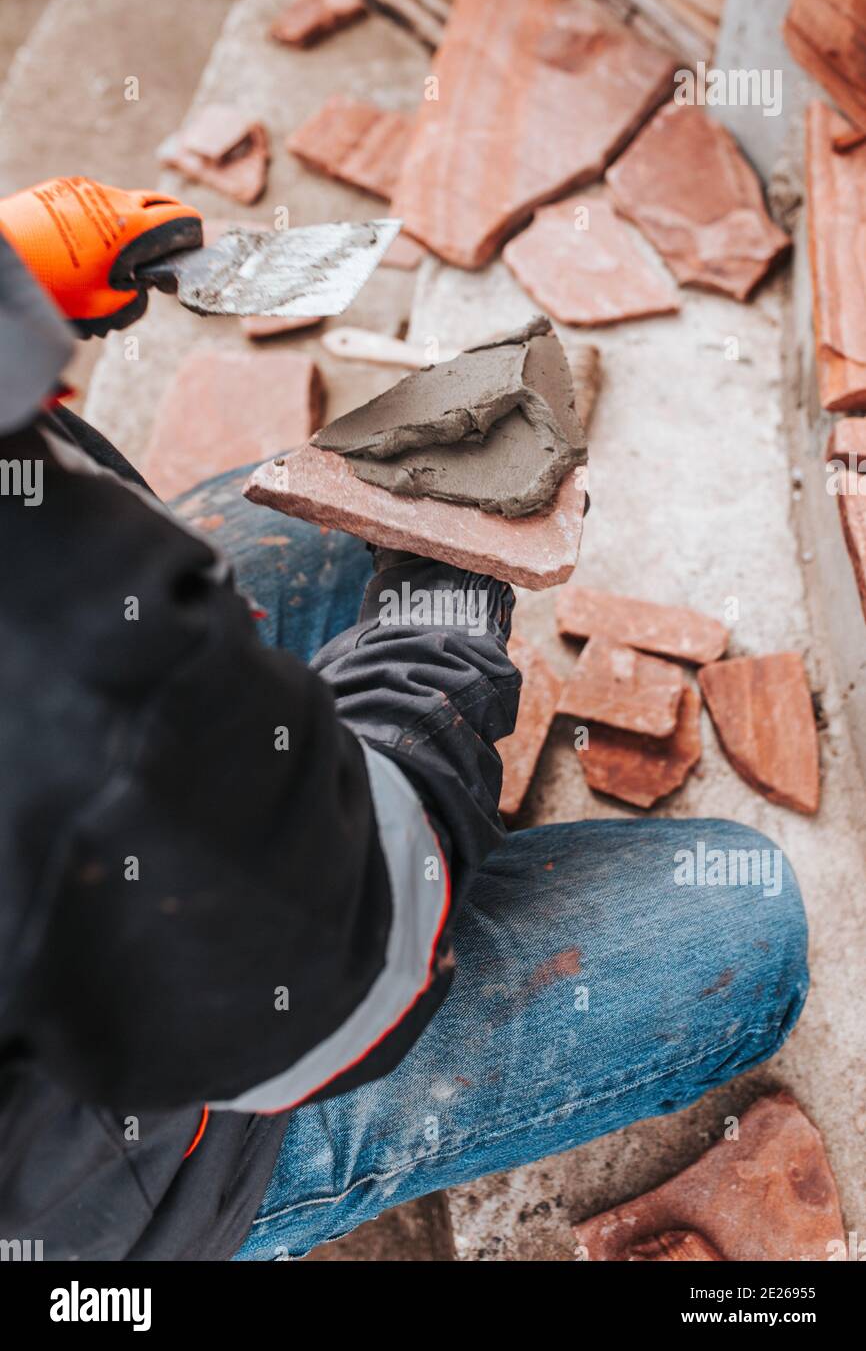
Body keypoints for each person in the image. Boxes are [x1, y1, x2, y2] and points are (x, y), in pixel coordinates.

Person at [0, 178, 808, 1261]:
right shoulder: (46, 702)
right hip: (117, 1173)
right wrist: (443, 621)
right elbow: (345, 949)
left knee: (333, 506)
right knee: (741, 925)